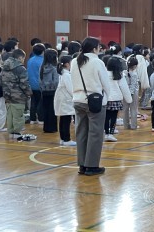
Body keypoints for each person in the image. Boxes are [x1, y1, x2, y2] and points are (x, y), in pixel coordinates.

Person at [71, 37, 111, 176]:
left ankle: (82, 165)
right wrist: (107, 97)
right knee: (95, 134)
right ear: (95, 48)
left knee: (81, 133)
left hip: (78, 100)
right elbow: (105, 83)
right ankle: (92, 166)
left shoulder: (74, 61)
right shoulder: (97, 62)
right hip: (94, 101)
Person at [0, 49, 32, 139]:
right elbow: (24, 84)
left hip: (7, 95)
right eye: (23, 58)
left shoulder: (4, 67)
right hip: (18, 96)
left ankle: (11, 132)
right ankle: (17, 132)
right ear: (20, 57)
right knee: (18, 115)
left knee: (10, 114)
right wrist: (28, 93)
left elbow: (0, 80)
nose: (23, 60)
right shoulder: (20, 68)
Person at [104, 57, 132, 141]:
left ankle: (106, 132)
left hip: (106, 99)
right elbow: (124, 88)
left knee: (106, 117)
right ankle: (111, 133)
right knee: (113, 117)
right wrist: (129, 99)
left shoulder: (104, 74)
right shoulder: (119, 75)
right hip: (116, 99)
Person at [54, 55, 75, 146]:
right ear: (67, 64)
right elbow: (71, 89)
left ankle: (63, 138)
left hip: (62, 99)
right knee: (66, 120)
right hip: (65, 100)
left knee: (63, 119)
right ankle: (67, 139)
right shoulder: (66, 75)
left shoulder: (63, 73)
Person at [39, 48, 59, 133]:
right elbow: (56, 81)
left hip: (44, 91)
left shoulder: (42, 67)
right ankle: (52, 128)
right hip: (53, 91)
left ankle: (46, 127)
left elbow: (40, 79)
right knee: (52, 110)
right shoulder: (55, 68)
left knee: (46, 109)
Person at [27, 43, 45, 125]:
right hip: (40, 85)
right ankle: (41, 119)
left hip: (31, 84)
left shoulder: (30, 60)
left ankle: (32, 119)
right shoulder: (43, 61)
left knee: (33, 102)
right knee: (41, 103)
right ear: (43, 51)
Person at [123, 56, 140, 130]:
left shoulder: (124, 72)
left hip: (125, 92)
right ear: (135, 66)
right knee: (133, 109)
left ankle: (126, 125)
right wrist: (131, 94)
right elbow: (133, 85)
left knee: (125, 109)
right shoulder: (134, 74)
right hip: (133, 93)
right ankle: (133, 125)